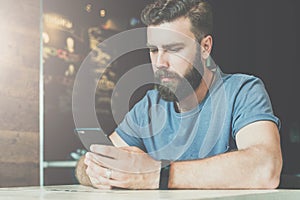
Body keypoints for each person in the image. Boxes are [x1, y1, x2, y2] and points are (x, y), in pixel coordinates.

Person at [75, 0, 282, 189]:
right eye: (154, 50)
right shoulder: (148, 107)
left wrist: (156, 174)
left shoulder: (242, 91)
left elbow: (266, 168)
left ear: (205, 47)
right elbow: (86, 163)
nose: (159, 63)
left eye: (173, 49)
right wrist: (100, 172)